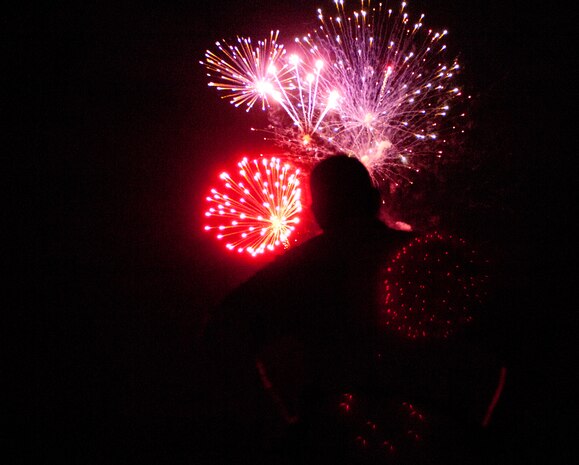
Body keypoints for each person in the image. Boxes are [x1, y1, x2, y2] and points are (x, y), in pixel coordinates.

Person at [202, 154, 505, 464]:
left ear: (318, 211)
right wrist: (485, 433)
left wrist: (277, 430)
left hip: (333, 442)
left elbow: (222, 331)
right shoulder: (435, 257)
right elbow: (520, 337)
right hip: (434, 443)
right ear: (375, 199)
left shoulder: (305, 267)